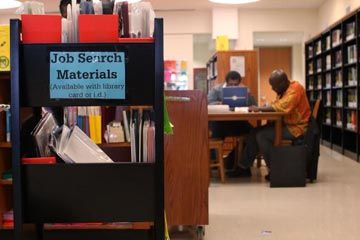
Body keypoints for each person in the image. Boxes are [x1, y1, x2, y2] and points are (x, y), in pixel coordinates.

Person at [237, 69, 311, 179]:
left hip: (296, 127)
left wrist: (259, 108)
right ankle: (243, 168)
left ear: (283, 83)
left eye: (274, 86)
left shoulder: (295, 89)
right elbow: (277, 104)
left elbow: (281, 107)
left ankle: (276, 170)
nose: (272, 89)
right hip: (285, 124)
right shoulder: (283, 91)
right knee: (254, 131)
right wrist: (263, 108)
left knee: (262, 135)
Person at [208, 71, 256, 174]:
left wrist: (248, 95)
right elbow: (207, 103)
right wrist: (219, 103)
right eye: (231, 85)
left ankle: (241, 165)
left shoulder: (244, 90)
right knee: (214, 135)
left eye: (236, 85)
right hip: (220, 122)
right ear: (226, 82)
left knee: (253, 134)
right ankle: (214, 163)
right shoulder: (216, 89)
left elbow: (254, 105)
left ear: (239, 83)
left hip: (238, 122)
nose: (233, 87)